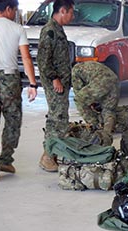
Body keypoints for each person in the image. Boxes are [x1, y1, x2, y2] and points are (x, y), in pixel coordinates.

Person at [0, 0, 38, 182]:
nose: (15, 13)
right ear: (8, 9)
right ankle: (6, 160)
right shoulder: (18, 29)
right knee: (13, 121)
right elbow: (26, 58)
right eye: (15, 10)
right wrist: (32, 84)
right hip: (10, 80)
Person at [37, 0, 74, 172]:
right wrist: (55, 79)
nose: (72, 17)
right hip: (55, 83)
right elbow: (43, 61)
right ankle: (47, 156)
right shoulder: (49, 31)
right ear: (62, 11)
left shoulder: (58, 30)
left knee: (57, 118)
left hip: (62, 81)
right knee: (58, 119)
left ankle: (50, 153)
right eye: (71, 13)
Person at [71, 61, 120, 146]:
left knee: (79, 100)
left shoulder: (75, 71)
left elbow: (79, 91)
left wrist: (89, 105)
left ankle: (94, 127)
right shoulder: (87, 64)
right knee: (109, 110)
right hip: (114, 79)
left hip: (100, 81)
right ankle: (106, 135)